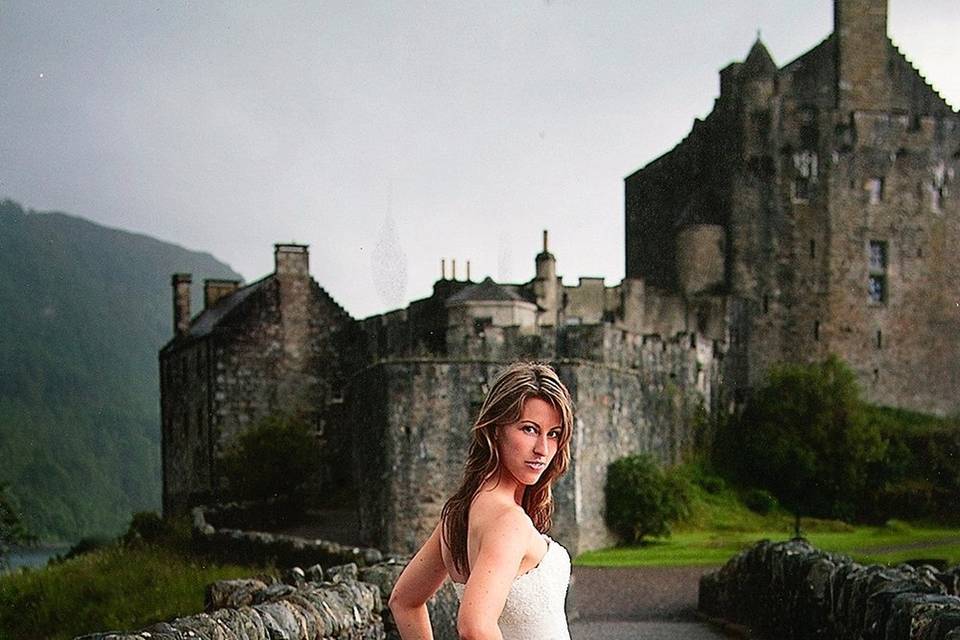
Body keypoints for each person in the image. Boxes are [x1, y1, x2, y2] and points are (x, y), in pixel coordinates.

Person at [388, 361, 575, 640]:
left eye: (554, 434)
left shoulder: (458, 516)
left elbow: (404, 603)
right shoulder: (508, 522)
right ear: (495, 429)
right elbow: (475, 627)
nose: (543, 449)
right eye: (529, 429)